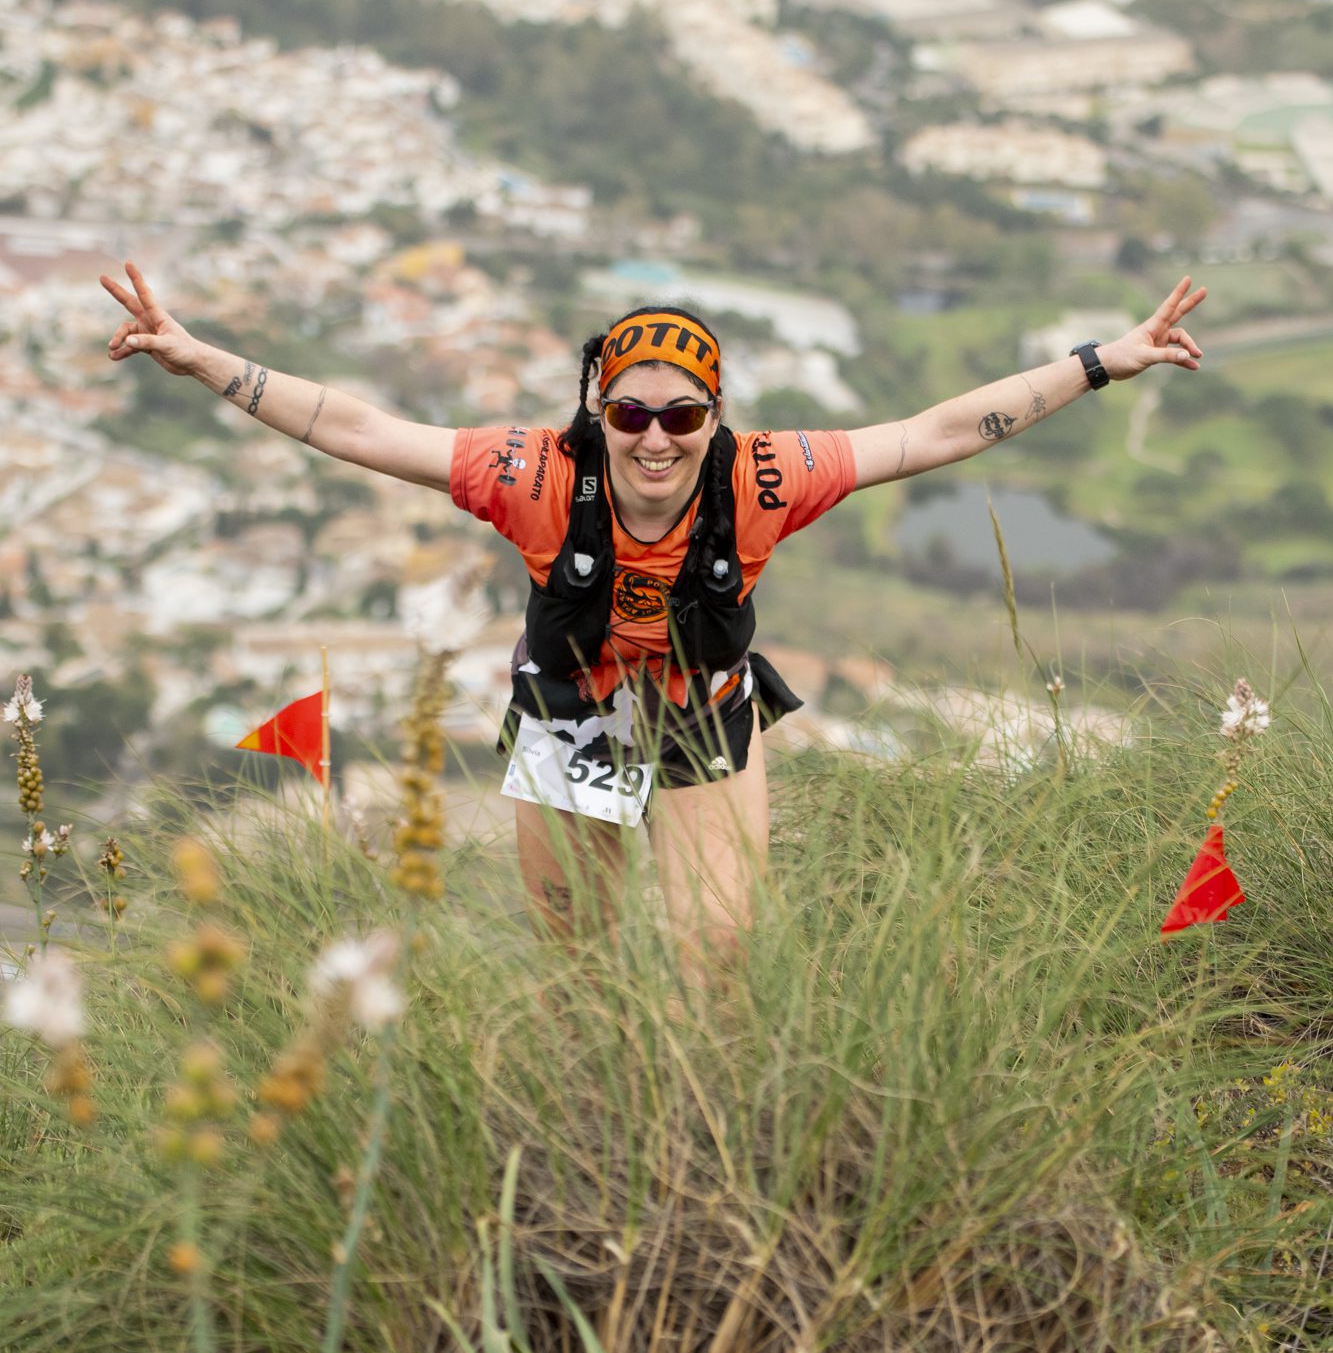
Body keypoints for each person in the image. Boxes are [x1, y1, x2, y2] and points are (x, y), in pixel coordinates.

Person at [102, 262, 1205, 963]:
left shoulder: (767, 476)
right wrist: (204, 362)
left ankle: (698, 1143)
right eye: (630, 413)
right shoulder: (531, 472)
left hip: (701, 706)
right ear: (599, 411)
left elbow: (936, 432)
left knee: (714, 952)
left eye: (682, 415)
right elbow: (360, 429)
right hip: (574, 709)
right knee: (575, 958)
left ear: (714, 416)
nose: (655, 437)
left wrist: (1099, 364)